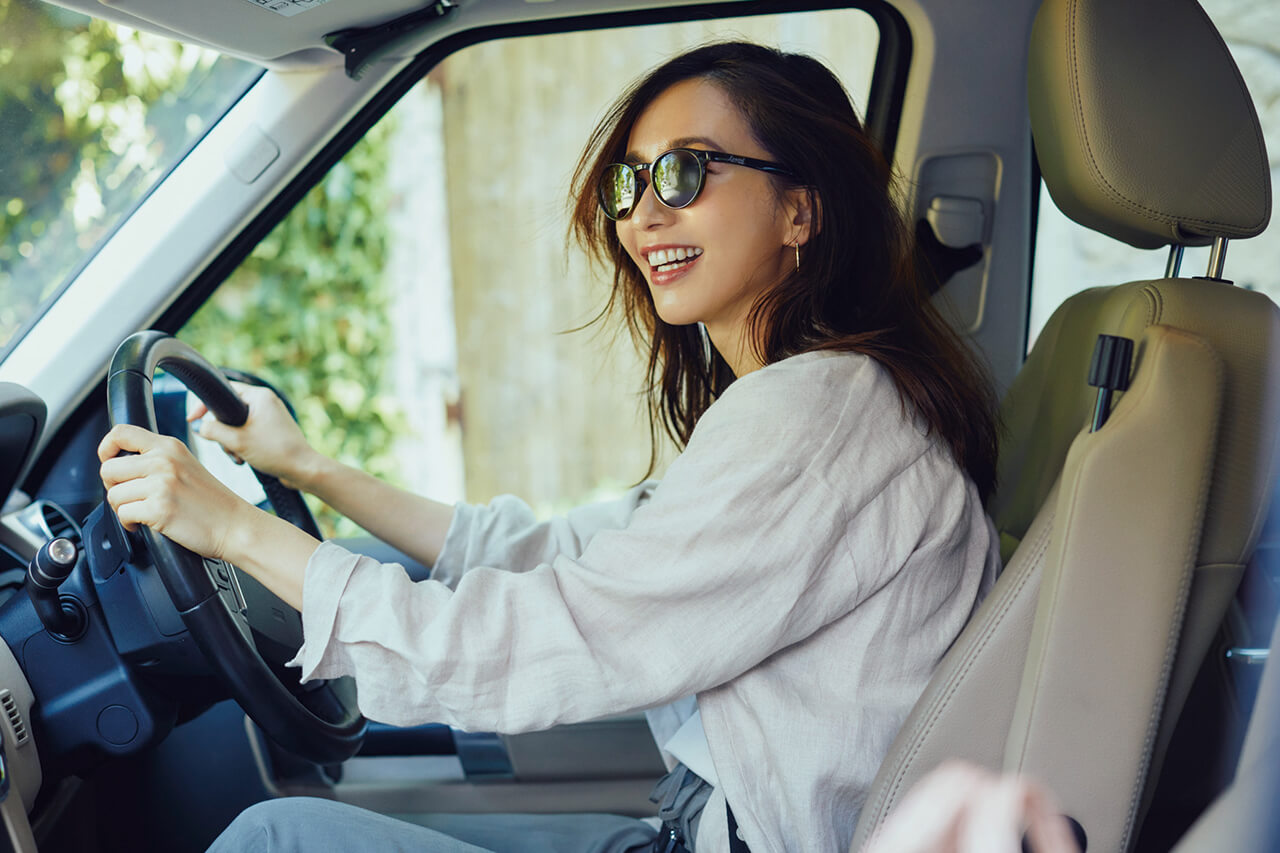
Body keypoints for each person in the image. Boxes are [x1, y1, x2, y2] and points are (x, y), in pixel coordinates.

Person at [97, 41, 1002, 852]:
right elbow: (566, 557)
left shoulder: (814, 418)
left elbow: (545, 639)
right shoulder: (818, 400)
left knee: (275, 840)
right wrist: (309, 469)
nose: (643, 215)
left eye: (685, 173)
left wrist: (237, 532)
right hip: (693, 820)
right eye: (629, 182)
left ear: (799, 212)